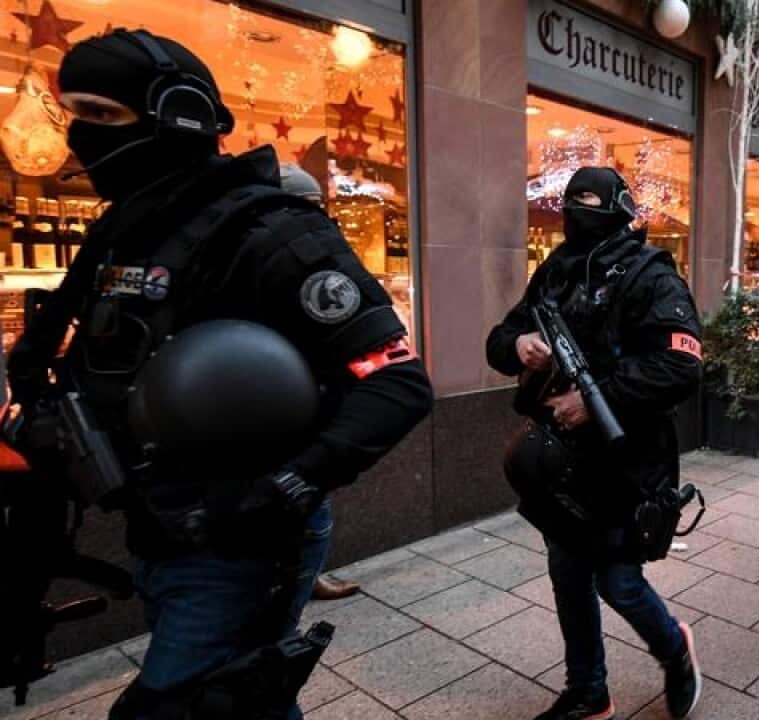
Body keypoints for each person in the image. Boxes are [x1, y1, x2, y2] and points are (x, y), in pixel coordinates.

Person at [6, 31, 432, 718]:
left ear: (179, 116)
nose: (83, 134)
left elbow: (397, 383)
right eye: (75, 112)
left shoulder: (272, 234)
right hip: (156, 524)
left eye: (105, 114)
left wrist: (285, 487)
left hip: (238, 543)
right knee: (243, 696)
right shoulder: (123, 232)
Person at [486, 167, 704, 720]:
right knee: (568, 573)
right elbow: (500, 338)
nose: (578, 212)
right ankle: (588, 690)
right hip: (564, 460)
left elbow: (681, 365)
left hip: (629, 457)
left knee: (620, 582)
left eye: (590, 201)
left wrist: (596, 397)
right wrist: (520, 345)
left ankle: (675, 649)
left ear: (618, 209)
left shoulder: (651, 275)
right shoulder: (556, 271)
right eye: (571, 202)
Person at [279, 163, 361, 603]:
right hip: (279, 402)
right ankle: (301, 580)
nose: (317, 215)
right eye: (307, 205)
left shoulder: (315, 253)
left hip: (311, 394)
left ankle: (308, 574)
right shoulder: (269, 257)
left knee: (313, 499)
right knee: (308, 502)